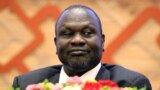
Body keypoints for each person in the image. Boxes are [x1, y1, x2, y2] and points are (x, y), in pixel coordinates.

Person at [12, 4, 152, 90]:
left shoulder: (130, 85)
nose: (77, 40)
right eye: (67, 33)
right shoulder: (27, 85)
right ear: (56, 44)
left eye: (87, 33)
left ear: (102, 41)